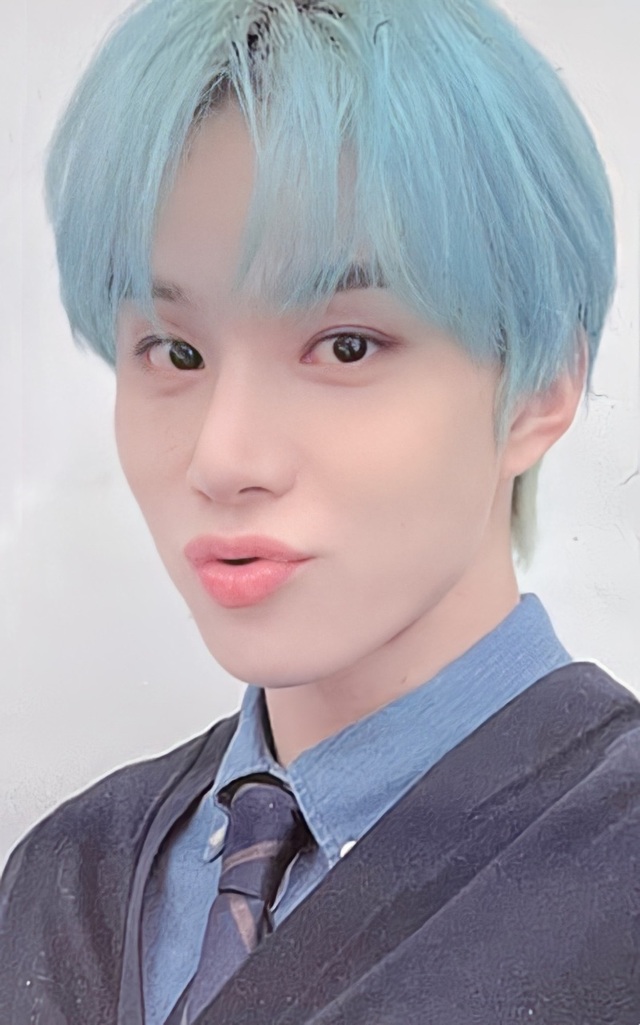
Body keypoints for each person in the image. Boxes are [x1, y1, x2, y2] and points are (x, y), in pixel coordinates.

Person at [1, 0, 638, 1023]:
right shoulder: (63, 878)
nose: (223, 457)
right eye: (175, 351)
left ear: (538, 388)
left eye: (346, 345)